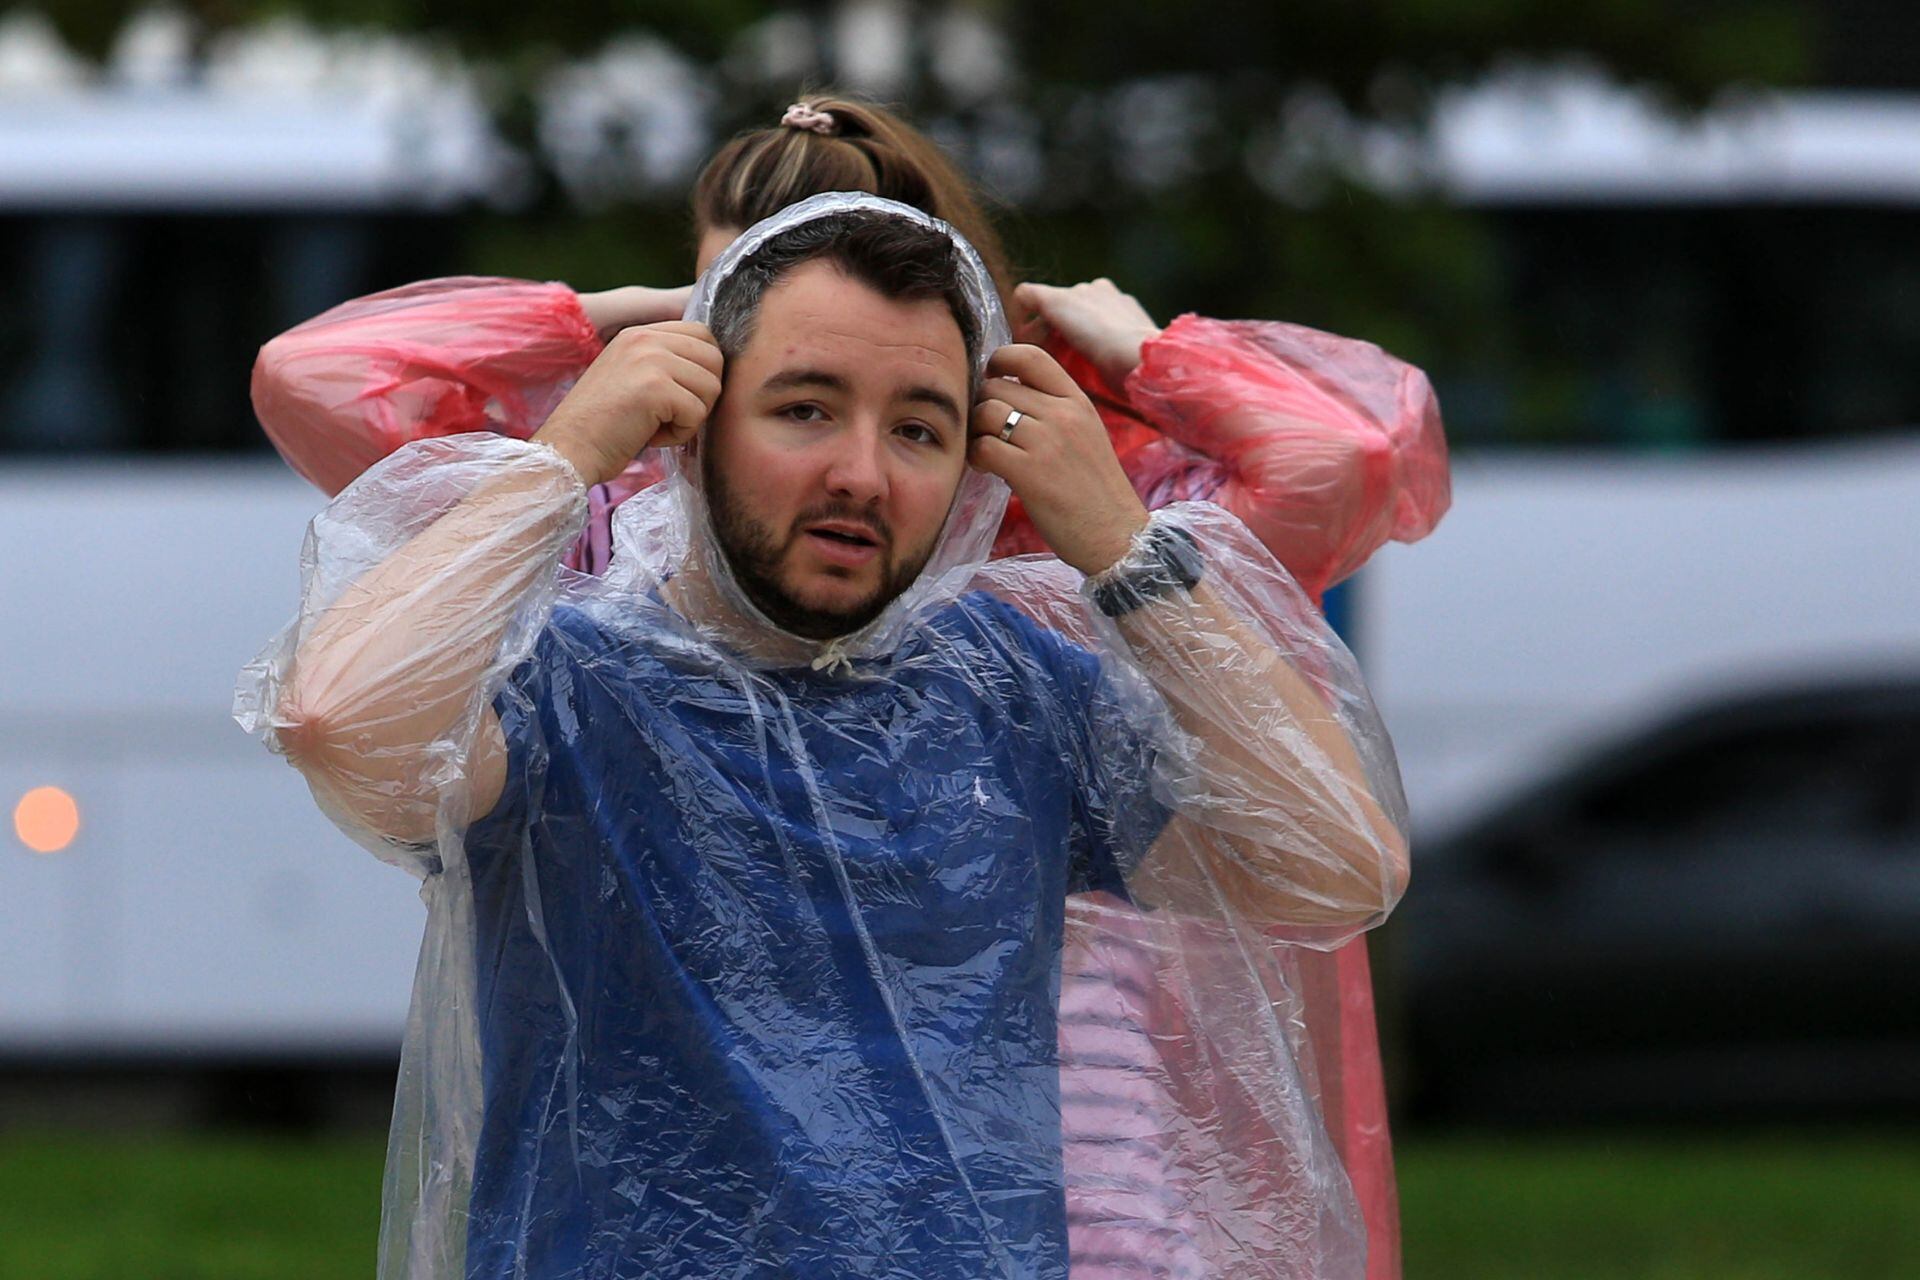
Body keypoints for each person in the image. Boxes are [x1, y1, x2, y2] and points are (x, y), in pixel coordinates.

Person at [249, 95, 1448, 1279]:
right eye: (805, 408)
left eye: (920, 428)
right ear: (691, 421)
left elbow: (1338, 862)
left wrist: (1129, 554)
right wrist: (565, 455)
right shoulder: (566, 687)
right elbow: (336, 716)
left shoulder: (1022, 694)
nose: (862, 474)